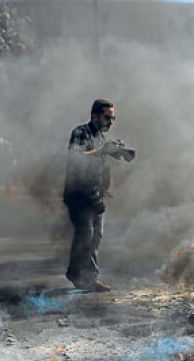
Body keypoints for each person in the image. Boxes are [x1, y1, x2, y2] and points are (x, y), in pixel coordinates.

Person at [62, 98, 134, 292]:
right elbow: (75, 158)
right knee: (86, 234)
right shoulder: (80, 132)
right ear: (94, 116)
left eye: (113, 118)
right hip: (78, 193)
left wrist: (118, 153)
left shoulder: (102, 137)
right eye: (107, 118)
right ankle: (78, 275)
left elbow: (101, 162)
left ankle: (88, 277)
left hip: (95, 194)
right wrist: (103, 150)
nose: (110, 122)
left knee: (97, 236)